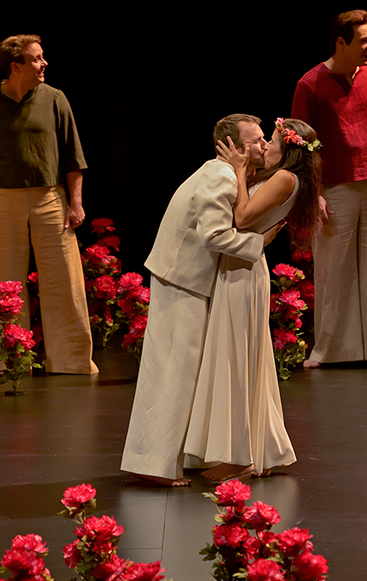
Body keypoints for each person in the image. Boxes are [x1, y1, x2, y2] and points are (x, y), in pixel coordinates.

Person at [121, 115, 282, 486]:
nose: (263, 146)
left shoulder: (223, 173)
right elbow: (214, 236)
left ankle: (177, 457)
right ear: (235, 147)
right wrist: (260, 242)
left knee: (183, 372)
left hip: (185, 278)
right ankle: (154, 465)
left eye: (264, 139)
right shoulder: (221, 176)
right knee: (174, 373)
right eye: (256, 140)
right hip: (182, 280)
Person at [0, 35, 97, 376]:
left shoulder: (55, 98)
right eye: (37, 58)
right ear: (16, 66)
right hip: (5, 197)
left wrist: (76, 203)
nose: (44, 64)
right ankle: (4, 358)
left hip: (50, 196)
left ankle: (71, 361)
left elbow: (73, 155)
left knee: (64, 278)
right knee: (2, 276)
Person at [184, 118, 321, 481]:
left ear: (287, 149)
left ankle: (238, 455)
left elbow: (242, 219)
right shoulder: (283, 177)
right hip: (242, 265)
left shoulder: (284, 177)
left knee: (236, 358)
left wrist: (239, 172)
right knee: (243, 357)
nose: (265, 147)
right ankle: (259, 449)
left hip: (242, 271)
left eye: (271, 141)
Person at [291, 9, 367, 370]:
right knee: (334, 269)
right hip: (334, 188)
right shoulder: (310, 84)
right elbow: (301, 144)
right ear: (341, 43)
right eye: (364, 41)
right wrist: (313, 192)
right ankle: (328, 350)